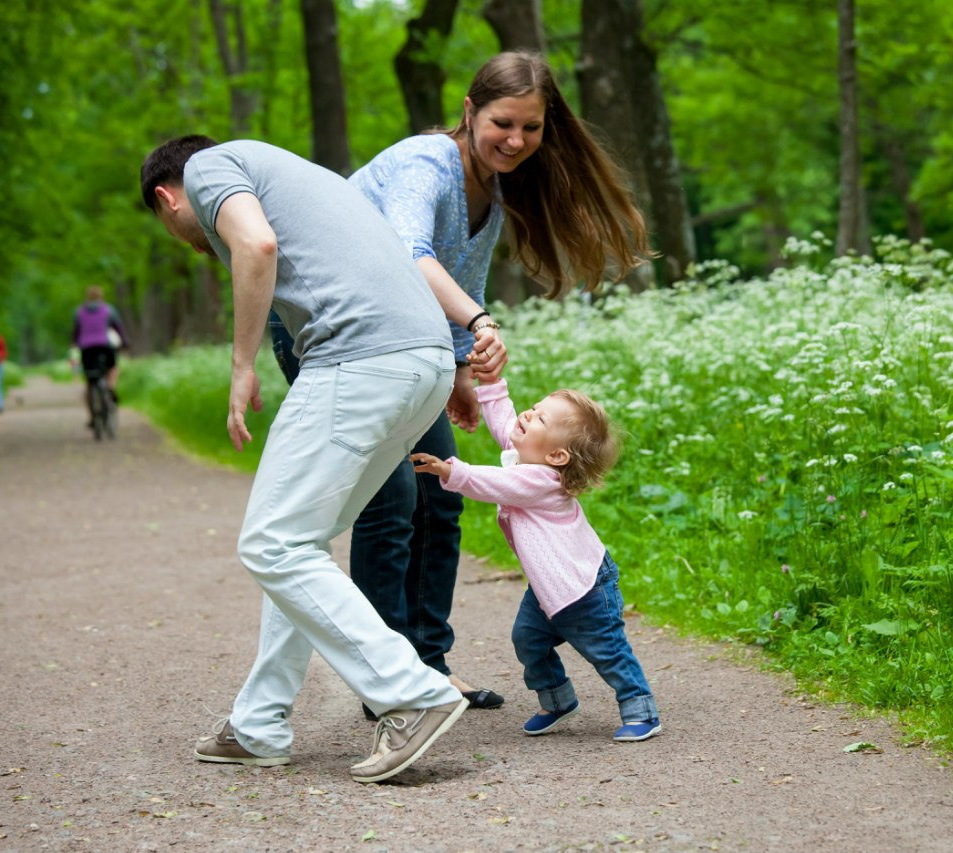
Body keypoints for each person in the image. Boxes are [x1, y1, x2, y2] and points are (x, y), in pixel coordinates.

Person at [269, 50, 651, 716]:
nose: (517, 140)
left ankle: (427, 664)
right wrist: (477, 322)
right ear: (470, 111)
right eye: (504, 122)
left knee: (439, 494)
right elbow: (411, 257)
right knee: (392, 504)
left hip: (394, 342)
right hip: (324, 331)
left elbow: (461, 277)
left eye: (531, 129)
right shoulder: (427, 166)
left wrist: (457, 372)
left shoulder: (495, 190)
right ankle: (384, 677)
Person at [139, 134, 468, 783]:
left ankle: (413, 691)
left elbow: (256, 246)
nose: (189, 235)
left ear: (165, 198)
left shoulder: (207, 168)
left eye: (168, 224)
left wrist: (240, 367)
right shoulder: (288, 171)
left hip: (361, 358)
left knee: (271, 543)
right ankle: (260, 723)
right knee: (299, 539)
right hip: (421, 360)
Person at [411, 376, 661, 742]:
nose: (528, 415)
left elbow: (495, 483)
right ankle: (558, 700)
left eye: (541, 419)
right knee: (527, 640)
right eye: (535, 408)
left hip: (584, 590)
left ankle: (641, 709)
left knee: (607, 652)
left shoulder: (543, 481)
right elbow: (504, 423)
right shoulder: (526, 459)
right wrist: (493, 384)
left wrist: (451, 471)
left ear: (558, 457)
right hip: (548, 589)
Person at [72, 285, 128, 402]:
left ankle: (92, 413)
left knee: (89, 379)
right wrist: (124, 342)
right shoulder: (108, 310)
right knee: (112, 367)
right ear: (101, 296)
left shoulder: (79, 312)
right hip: (104, 345)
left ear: (87, 297)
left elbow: (76, 331)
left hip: (86, 347)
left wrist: (74, 343)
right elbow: (118, 328)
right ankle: (111, 387)